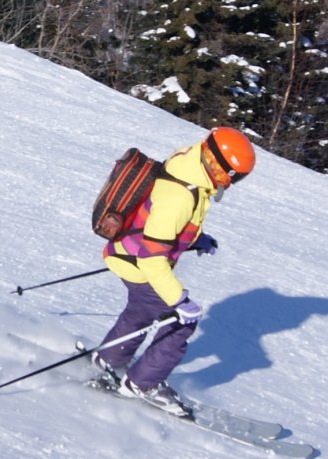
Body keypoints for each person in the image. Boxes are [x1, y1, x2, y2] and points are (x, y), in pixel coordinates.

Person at [92, 126, 256, 417]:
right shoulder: (180, 195)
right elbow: (152, 259)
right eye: (233, 176)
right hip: (141, 263)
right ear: (217, 164)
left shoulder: (191, 165)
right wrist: (179, 302)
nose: (231, 184)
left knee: (141, 312)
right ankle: (142, 384)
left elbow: (165, 224)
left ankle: (109, 359)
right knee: (179, 321)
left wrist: (196, 239)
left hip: (128, 251)